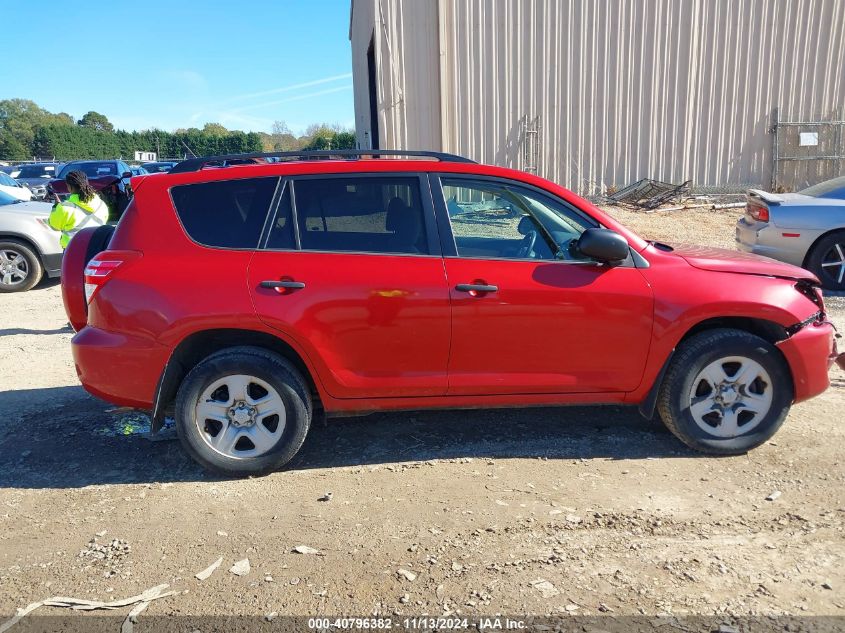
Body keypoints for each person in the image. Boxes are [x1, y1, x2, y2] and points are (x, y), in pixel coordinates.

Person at [48, 170, 109, 248]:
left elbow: (54, 226)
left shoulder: (64, 207)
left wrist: (55, 207)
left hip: (73, 250)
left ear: (69, 187)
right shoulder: (101, 204)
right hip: (97, 248)